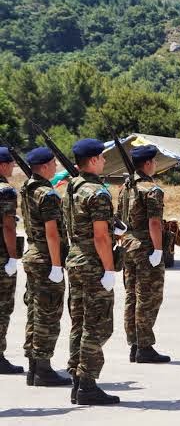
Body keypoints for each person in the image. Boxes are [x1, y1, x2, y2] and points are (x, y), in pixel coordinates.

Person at [64, 139, 120, 405]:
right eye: (102, 157)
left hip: (75, 260)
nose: (105, 161)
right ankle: (87, 383)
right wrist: (109, 269)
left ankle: (77, 380)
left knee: (80, 323)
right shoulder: (97, 192)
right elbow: (100, 237)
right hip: (92, 264)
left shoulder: (72, 187)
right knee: (98, 325)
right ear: (94, 160)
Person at [21, 147, 71, 386]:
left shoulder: (27, 188)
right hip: (45, 258)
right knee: (48, 315)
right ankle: (43, 369)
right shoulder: (47, 194)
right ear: (44, 167)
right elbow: (52, 233)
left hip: (33, 254)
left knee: (35, 313)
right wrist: (56, 264)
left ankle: (34, 366)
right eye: (53, 163)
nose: (56, 167)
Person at [117, 144, 170, 364]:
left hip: (128, 245)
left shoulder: (126, 187)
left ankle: (135, 343)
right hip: (145, 246)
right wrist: (158, 249)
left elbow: (119, 219)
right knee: (148, 297)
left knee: (132, 296)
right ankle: (145, 346)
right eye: (154, 161)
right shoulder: (151, 189)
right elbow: (155, 222)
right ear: (147, 163)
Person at [0, 146, 23, 375]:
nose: (12, 166)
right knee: (2, 306)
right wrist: (13, 256)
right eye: (9, 163)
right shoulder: (5, 191)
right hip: (1, 257)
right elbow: (8, 226)